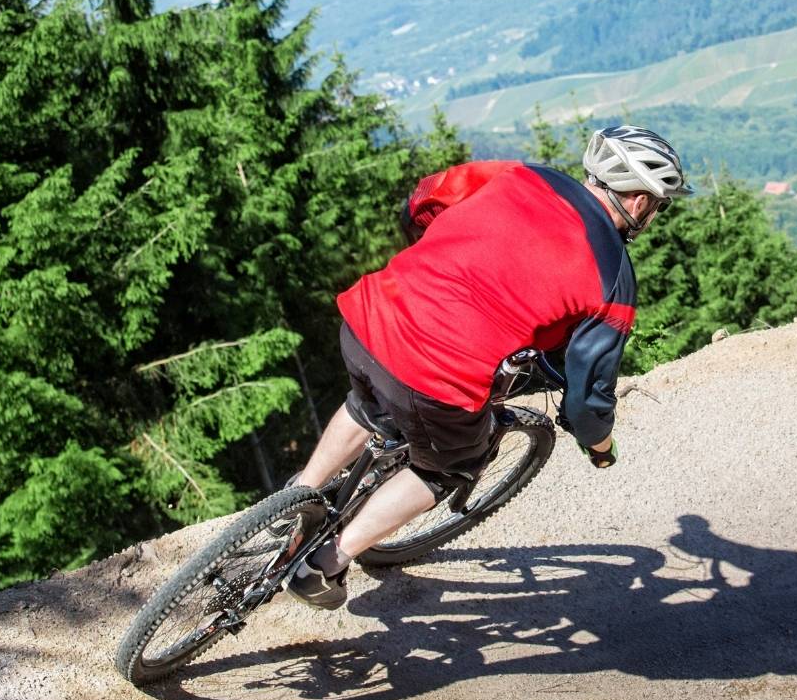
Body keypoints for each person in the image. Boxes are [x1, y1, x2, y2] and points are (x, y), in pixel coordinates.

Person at [286, 125, 693, 609]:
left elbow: (422, 201)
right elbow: (587, 403)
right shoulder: (614, 279)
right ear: (642, 202)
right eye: (659, 204)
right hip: (436, 377)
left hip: (370, 315)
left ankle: (298, 498)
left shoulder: (519, 175)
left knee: (366, 400)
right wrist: (600, 448)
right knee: (450, 468)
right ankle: (326, 563)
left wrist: (441, 251)